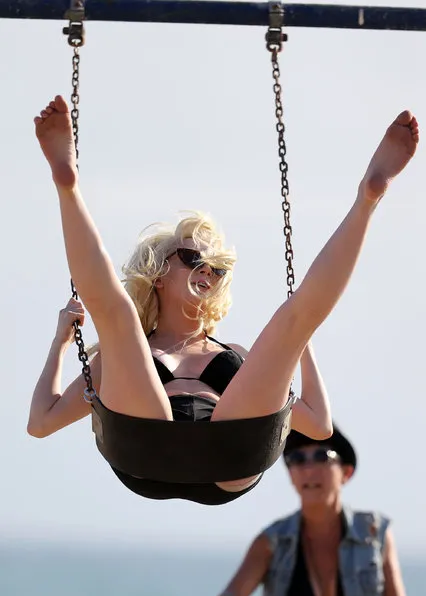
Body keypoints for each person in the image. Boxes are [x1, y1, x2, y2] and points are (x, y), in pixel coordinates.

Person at [27, 95, 419, 505]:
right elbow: (41, 422)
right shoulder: (123, 358)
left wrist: (298, 340)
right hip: (145, 449)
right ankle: (67, 187)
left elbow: (318, 426)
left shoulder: (235, 356)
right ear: (157, 274)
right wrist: (60, 344)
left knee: (293, 317)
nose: (206, 270)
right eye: (192, 258)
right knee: (118, 319)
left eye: (216, 267)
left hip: (232, 455)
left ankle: (368, 198)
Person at [210, 427, 411, 596]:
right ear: (290, 474)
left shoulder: (375, 533)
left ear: (346, 472)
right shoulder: (271, 541)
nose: (308, 468)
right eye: (297, 459)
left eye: (321, 456)